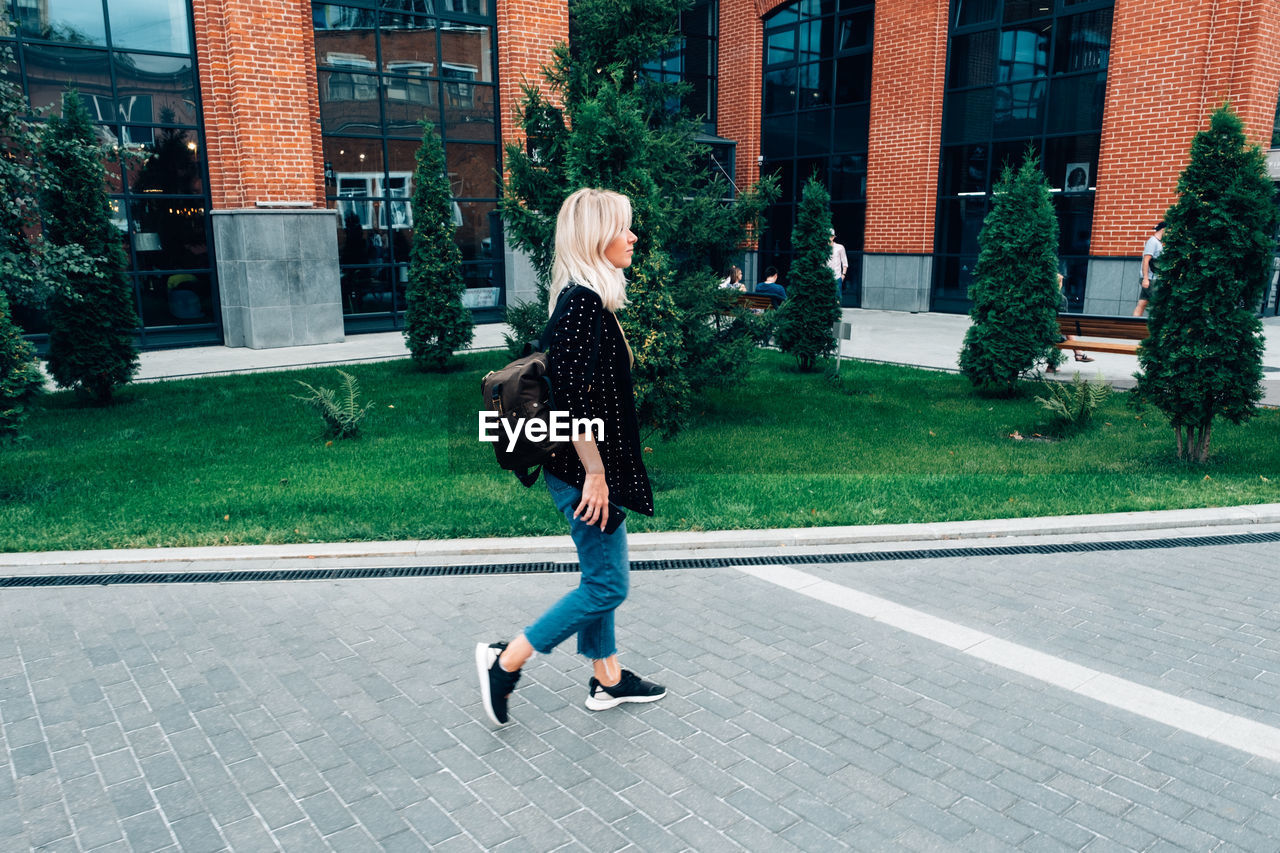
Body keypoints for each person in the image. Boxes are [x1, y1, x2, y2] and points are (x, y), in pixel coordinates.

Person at [476, 188, 665, 727]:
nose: (633, 237)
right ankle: (506, 661)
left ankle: (608, 679)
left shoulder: (586, 301)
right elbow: (576, 396)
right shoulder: (582, 305)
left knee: (598, 575)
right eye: (624, 228)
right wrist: (597, 474)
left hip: (584, 468)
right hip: (584, 473)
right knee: (608, 584)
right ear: (595, 237)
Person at [1133, 221, 1165, 316]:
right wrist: (1146, 279)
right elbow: (1146, 260)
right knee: (1158, 304)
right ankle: (1157, 328)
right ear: (1164, 230)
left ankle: (1132, 325)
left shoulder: (1158, 243)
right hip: (1150, 279)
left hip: (1152, 278)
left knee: (1142, 303)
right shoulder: (1153, 242)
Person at [828, 229, 848, 301]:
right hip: (826, 278)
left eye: (830, 236)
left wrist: (843, 275)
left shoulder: (840, 247)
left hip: (837, 277)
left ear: (833, 237)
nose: (828, 238)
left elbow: (844, 262)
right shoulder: (823, 248)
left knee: (837, 300)